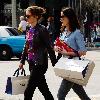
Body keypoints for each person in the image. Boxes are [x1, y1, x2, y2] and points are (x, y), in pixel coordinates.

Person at [19, 6, 57, 100]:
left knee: (28, 92)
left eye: (28, 16)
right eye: (26, 16)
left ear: (36, 16)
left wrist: (55, 63)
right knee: (44, 90)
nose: (26, 18)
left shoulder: (42, 30)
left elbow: (49, 47)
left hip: (40, 64)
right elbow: (26, 45)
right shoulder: (29, 29)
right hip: (31, 63)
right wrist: (22, 60)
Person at [54, 7, 91, 100]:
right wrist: (56, 48)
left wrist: (69, 53)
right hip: (65, 65)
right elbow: (57, 44)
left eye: (63, 16)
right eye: (60, 16)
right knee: (82, 94)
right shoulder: (63, 32)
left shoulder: (77, 33)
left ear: (69, 17)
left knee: (60, 95)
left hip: (73, 67)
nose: (61, 18)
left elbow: (83, 51)